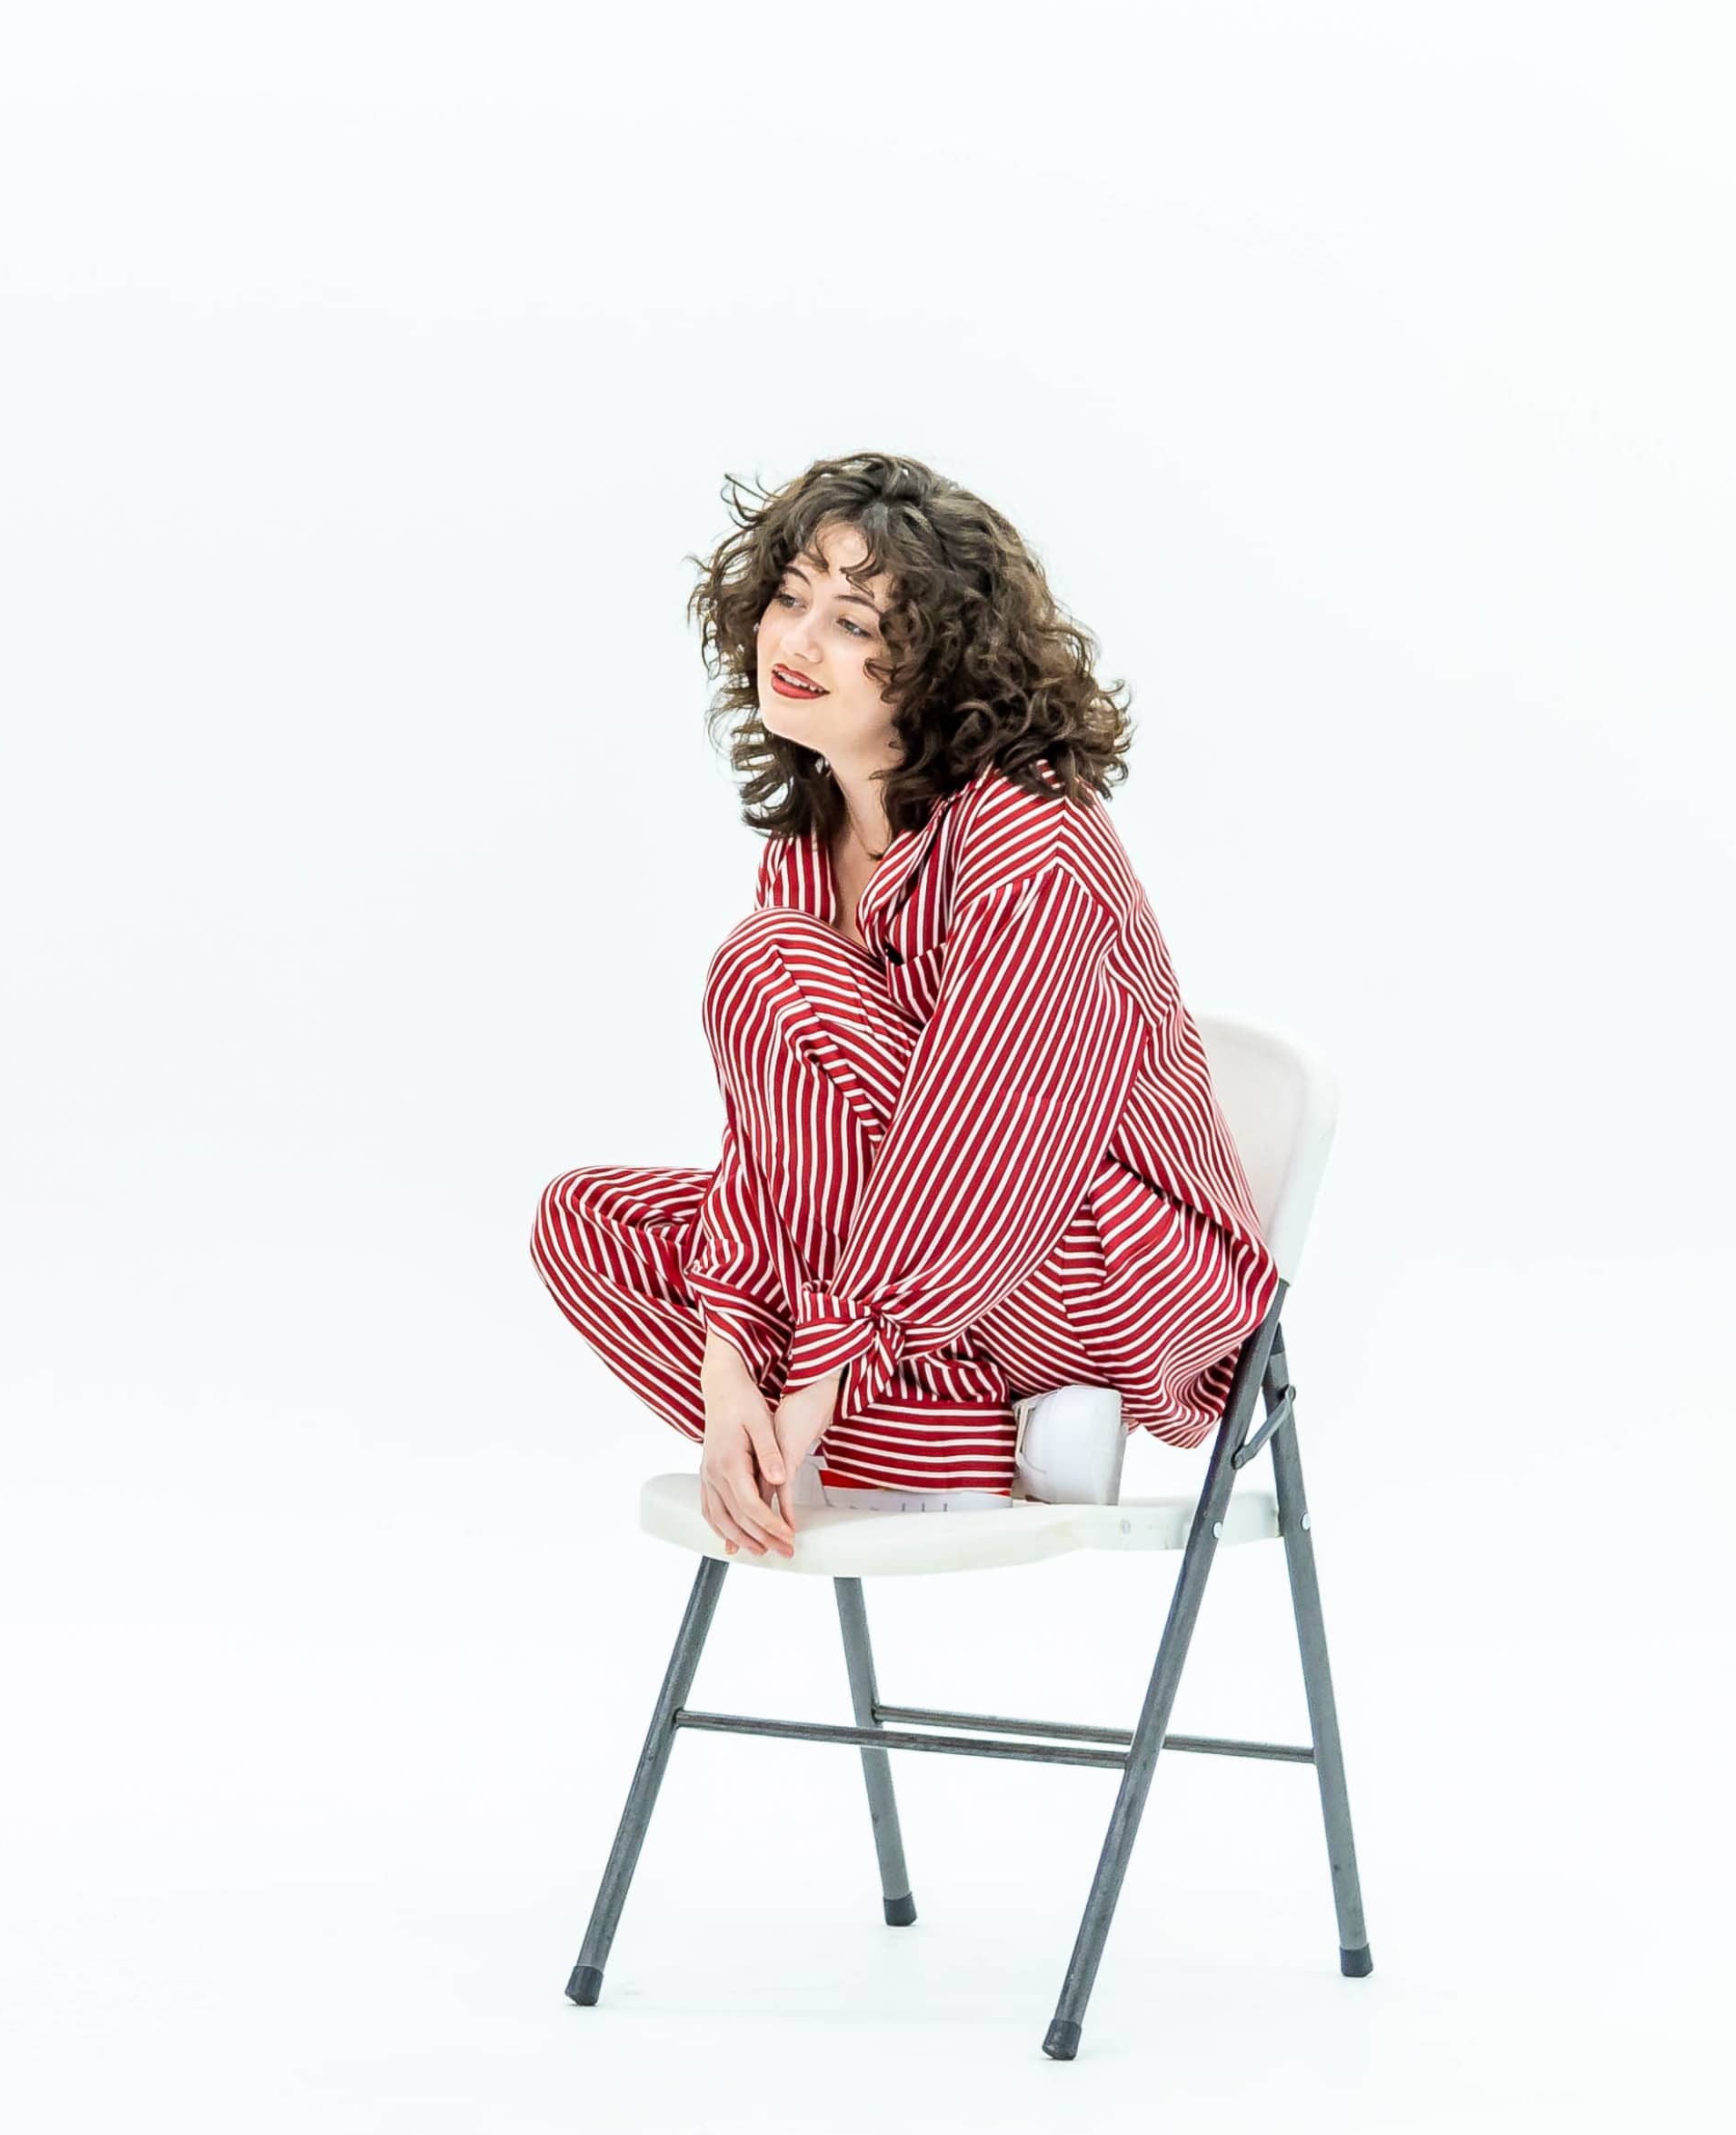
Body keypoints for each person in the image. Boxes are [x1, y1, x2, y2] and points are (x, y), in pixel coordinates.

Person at [528, 452, 1281, 1561]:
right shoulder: (809, 850)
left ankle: (875, 1419)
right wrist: (729, 1362)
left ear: (941, 660)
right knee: (589, 1224)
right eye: (789, 599)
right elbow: (775, 1147)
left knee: (767, 968)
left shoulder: (1030, 836)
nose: (794, 642)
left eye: (851, 622)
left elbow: (994, 1140)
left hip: (1096, 1262)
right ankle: (959, 1440)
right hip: (920, 1281)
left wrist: (824, 1358)